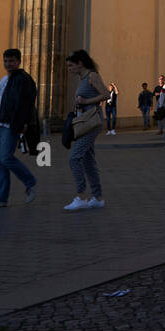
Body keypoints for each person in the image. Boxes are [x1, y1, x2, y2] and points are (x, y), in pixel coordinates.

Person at [0, 49, 38, 209]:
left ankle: (30, 181)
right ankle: (1, 198)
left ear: (18, 62)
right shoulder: (4, 79)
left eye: (11, 61)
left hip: (10, 125)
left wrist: (23, 123)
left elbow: (27, 104)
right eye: (6, 61)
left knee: (5, 158)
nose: (8, 64)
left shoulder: (24, 79)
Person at [64, 50, 108, 211]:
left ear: (80, 63)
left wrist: (86, 100)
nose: (69, 69)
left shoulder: (92, 76)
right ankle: (98, 198)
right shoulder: (82, 78)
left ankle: (81, 196)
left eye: (71, 65)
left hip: (92, 122)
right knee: (88, 161)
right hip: (84, 122)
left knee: (74, 158)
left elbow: (106, 94)